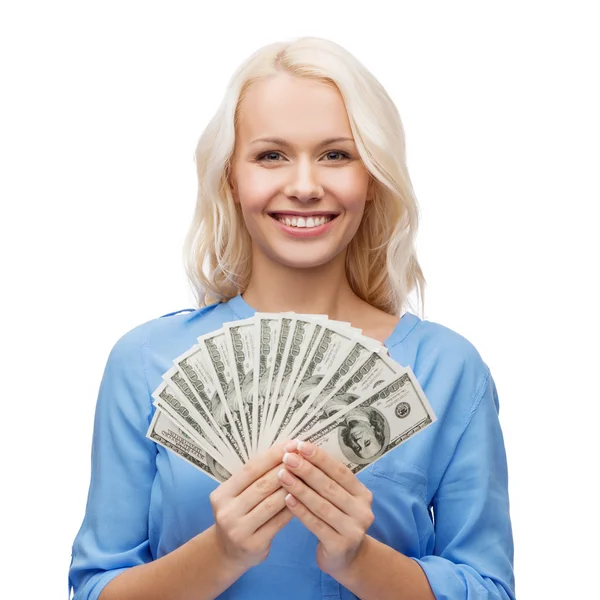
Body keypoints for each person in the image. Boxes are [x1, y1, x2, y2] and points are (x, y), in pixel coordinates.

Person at [68, 36, 516, 600]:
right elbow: (94, 590)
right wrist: (222, 552)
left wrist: (358, 558)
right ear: (231, 177)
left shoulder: (449, 369)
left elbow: (490, 589)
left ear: (372, 179)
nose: (305, 187)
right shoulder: (144, 362)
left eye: (336, 154)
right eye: (270, 155)